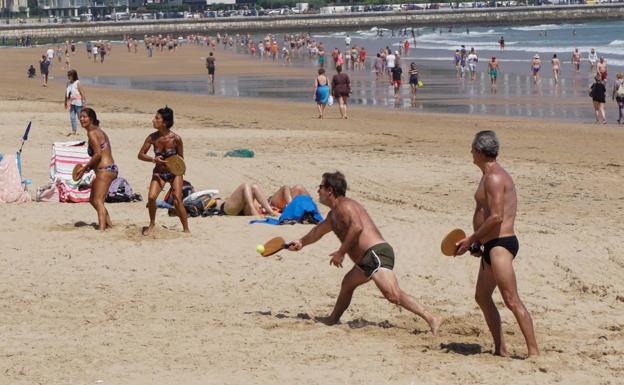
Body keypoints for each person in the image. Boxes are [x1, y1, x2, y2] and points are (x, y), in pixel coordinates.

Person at [286, 172, 442, 334]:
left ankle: (431, 318)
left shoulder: (345, 205)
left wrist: (341, 252)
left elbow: (357, 227)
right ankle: (333, 319)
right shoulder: (334, 215)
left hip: (376, 254)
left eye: (320, 187)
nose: (318, 191)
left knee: (393, 295)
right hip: (365, 261)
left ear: (330, 190)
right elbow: (318, 231)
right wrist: (301, 242)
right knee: (347, 283)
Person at [455, 131, 539, 358]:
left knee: (512, 300)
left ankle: (534, 353)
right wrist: (478, 244)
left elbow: (496, 217)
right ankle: (500, 348)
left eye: (472, 149)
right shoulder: (488, 174)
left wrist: (472, 238)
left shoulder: (494, 177)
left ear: (480, 152)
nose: (470, 152)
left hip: (501, 245)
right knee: (482, 297)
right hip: (490, 245)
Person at [138, 107, 190, 235]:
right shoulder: (152, 138)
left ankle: (186, 228)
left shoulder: (176, 139)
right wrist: (153, 159)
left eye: (157, 118)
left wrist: (178, 170)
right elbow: (140, 154)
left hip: (174, 173)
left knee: (177, 199)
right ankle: (152, 223)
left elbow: (181, 158)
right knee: (151, 198)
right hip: (159, 172)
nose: (153, 120)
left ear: (165, 122)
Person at [74, 108, 118, 231]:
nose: (81, 119)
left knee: (98, 200)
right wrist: (89, 168)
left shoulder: (92, 133)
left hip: (105, 169)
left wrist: (84, 169)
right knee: (93, 200)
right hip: (108, 168)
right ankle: (109, 224)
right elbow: (103, 153)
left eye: (84, 117)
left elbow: (98, 154)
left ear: (91, 119)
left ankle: (102, 229)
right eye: (80, 117)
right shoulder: (98, 131)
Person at [212, 182, 277, 216]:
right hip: (226, 210)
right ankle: (252, 209)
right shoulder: (213, 201)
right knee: (245, 185)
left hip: (243, 210)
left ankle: (271, 212)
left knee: (254, 186)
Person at [64, 69, 86, 136]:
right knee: (72, 117)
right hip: (71, 102)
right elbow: (66, 92)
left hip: (78, 102)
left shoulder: (78, 83)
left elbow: (82, 93)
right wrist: (65, 101)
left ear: (73, 75)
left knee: (80, 117)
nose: (68, 77)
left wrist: (84, 102)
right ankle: (74, 130)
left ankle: (88, 128)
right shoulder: (68, 83)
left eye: (70, 75)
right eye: (68, 75)